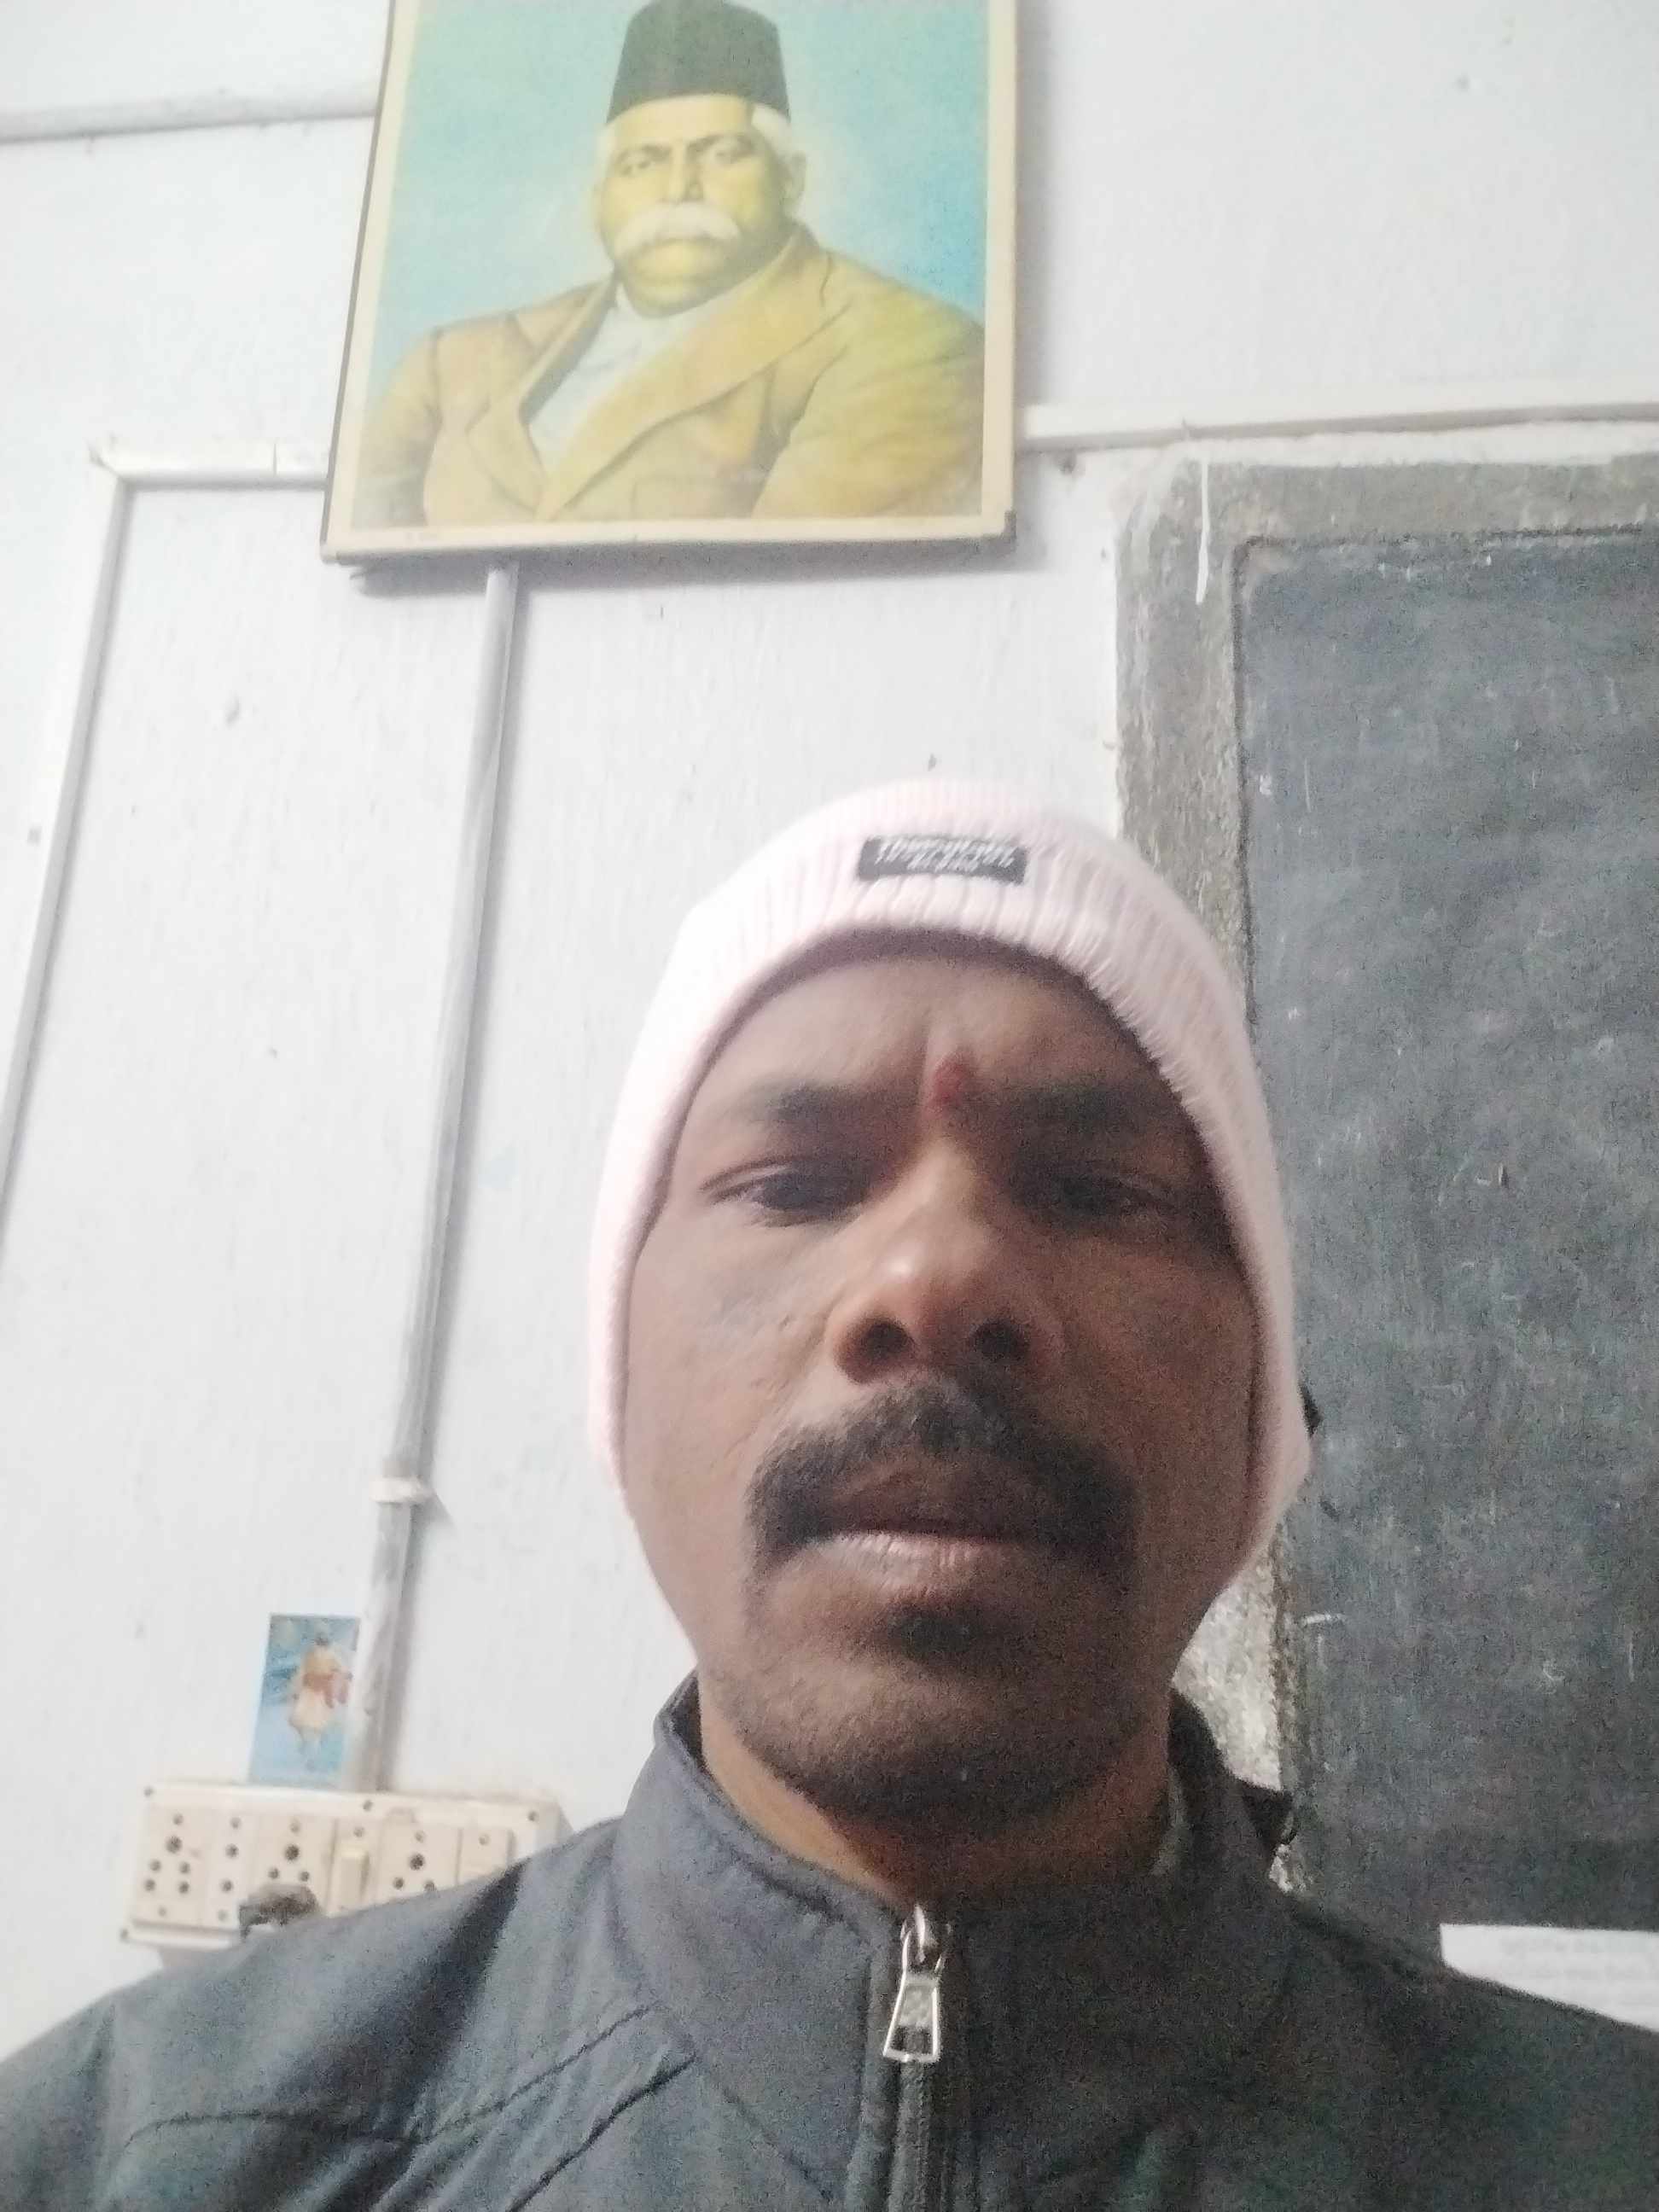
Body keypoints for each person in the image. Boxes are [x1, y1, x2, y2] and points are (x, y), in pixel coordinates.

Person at [4, 783, 1656, 2206]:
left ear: (1261, 1420)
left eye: (1099, 1191)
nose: (936, 1277)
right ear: (623, 1378)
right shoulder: (145, 2153)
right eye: (792, 1182)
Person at [352, 0, 987, 530]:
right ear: (598, 200)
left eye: (722, 153)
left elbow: (783, 591)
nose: (679, 187)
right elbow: (378, 551)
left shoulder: (912, 346)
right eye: (642, 163)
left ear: (791, 180)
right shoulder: (449, 363)